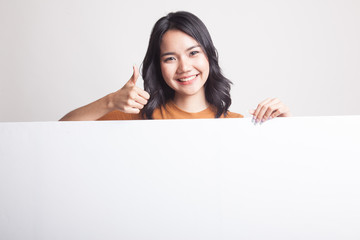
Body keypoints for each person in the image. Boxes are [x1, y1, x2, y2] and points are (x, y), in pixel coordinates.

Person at [60, 11, 291, 122]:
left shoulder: (235, 124)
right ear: (158, 65)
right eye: (170, 58)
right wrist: (110, 101)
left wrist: (286, 125)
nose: (184, 67)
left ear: (208, 56)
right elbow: (59, 132)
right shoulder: (140, 119)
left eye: (193, 53)